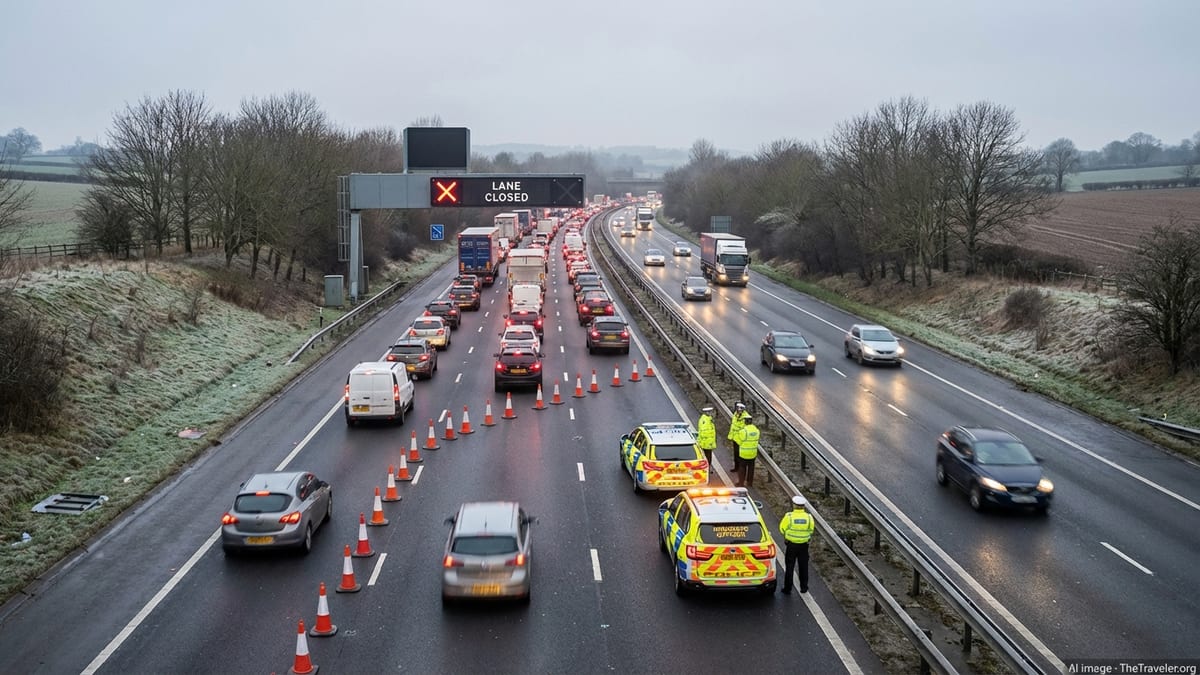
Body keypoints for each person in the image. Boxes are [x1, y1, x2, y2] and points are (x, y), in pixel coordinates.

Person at [779, 495, 815, 594]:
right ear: (803, 506)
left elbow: (782, 528)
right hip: (804, 546)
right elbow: (811, 529)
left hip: (791, 546)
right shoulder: (808, 517)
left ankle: (788, 588)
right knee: (803, 567)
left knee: (790, 566)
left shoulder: (789, 516)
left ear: (794, 505)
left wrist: (788, 535)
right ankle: (804, 587)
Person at [734, 417, 760, 488]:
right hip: (753, 453)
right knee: (751, 468)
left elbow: (738, 441)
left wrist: (736, 435)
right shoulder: (757, 431)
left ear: (745, 422)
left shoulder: (743, 431)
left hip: (744, 454)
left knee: (742, 468)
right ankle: (750, 483)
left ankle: (741, 483)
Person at [727, 402, 750, 473]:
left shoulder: (746, 417)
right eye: (738, 409)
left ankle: (741, 468)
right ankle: (736, 467)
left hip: (741, 439)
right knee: (736, 454)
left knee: (741, 455)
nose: (738, 410)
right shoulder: (735, 414)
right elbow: (733, 425)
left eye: (740, 409)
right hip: (735, 438)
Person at [696, 406, 717, 471]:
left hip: (707, 442)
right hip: (706, 443)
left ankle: (707, 468)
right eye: (709, 412)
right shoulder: (705, 421)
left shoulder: (708, 419)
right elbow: (704, 432)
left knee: (707, 456)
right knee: (707, 457)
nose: (711, 413)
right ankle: (706, 469)